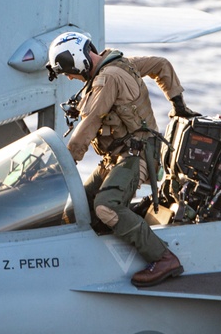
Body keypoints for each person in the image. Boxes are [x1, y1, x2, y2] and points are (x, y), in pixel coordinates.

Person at [46, 31, 199, 287]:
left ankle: (163, 258)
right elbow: (161, 64)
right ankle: (105, 246)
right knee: (77, 207)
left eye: (69, 71)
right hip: (117, 156)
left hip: (135, 156)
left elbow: (89, 123)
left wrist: (63, 164)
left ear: (77, 61)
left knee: (106, 207)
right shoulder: (121, 63)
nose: (71, 77)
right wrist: (177, 103)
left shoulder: (107, 79)